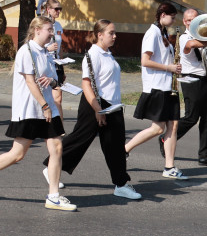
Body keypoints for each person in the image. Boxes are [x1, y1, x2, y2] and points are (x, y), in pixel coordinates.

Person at [0, 16, 75, 211]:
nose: (53, 33)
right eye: (49, 30)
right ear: (37, 30)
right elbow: (29, 82)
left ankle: (53, 196)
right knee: (17, 154)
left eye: (52, 30)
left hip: (47, 107)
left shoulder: (46, 52)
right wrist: (44, 105)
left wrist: (51, 82)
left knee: (57, 147)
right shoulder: (26, 52)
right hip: (30, 109)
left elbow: (52, 81)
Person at [48, 19, 140, 200]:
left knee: (114, 146)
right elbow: (86, 84)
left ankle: (120, 184)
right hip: (95, 104)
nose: (115, 36)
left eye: (114, 33)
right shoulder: (93, 55)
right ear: (100, 35)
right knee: (80, 139)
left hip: (112, 105)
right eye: (111, 33)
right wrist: (98, 109)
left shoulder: (107, 53)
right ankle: (52, 165)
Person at [124, 3, 188, 180]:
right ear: (162, 15)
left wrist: (175, 68)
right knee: (157, 128)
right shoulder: (152, 33)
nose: (174, 20)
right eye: (172, 17)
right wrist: (169, 67)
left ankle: (169, 166)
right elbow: (145, 61)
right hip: (157, 86)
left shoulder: (163, 32)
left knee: (173, 126)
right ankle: (124, 150)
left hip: (168, 86)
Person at [174, 8, 207, 168]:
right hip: (190, 79)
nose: (191, 23)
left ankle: (206, 156)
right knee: (191, 117)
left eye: (195, 19)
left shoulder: (205, 37)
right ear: (184, 22)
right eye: (189, 20)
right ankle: (166, 138)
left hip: (204, 79)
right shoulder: (184, 37)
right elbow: (192, 45)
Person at [42, 0, 65, 115]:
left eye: (60, 9)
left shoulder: (59, 25)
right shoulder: (42, 24)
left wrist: (63, 67)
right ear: (48, 9)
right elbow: (33, 46)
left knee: (58, 98)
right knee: (49, 97)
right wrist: (47, 48)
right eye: (56, 9)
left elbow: (60, 47)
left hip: (57, 65)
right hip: (45, 63)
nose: (58, 12)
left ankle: (58, 128)